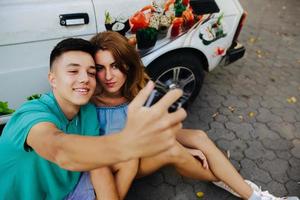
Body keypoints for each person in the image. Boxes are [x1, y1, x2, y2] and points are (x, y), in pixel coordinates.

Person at [73, 31, 298, 200]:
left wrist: (187, 145)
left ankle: (244, 189)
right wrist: (184, 150)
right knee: (172, 150)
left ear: (126, 64)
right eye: (101, 68)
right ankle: (232, 183)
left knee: (198, 136)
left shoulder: (132, 88)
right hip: (123, 161)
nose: (109, 76)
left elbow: (152, 128)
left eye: (115, 65)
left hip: (142, 143)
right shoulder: (89, 100)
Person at [0, 38, 187, 199]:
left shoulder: (88, 111)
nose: (85, 79)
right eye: (73, 71)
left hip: (70, 189)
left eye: (90, 72)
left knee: (127, 161)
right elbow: (59, 149)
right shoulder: (31, 113)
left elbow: (98, 165)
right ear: (53, 79)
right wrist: (126, 143)